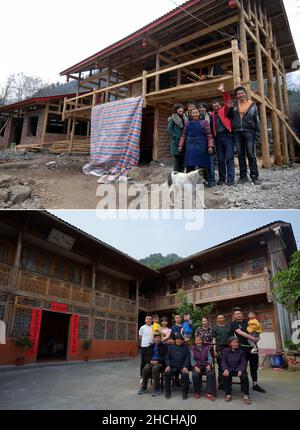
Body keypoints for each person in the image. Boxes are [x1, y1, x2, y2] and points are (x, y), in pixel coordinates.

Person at [226, 86, 261, 185]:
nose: (240, 95)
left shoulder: (253, 104)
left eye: (242, 93)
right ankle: (243, 176)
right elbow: (229, 116)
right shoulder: (234, 105)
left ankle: (254, 176)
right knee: (240, 155)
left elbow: (256, 120)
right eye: (238, 94)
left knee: (251, 154)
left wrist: (257, 134)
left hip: (249, 132)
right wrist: (229, 108)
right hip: (237, 132)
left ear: (245, 93)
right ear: (236, 96)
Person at [230, 307, 266, 393]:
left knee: (254, 366)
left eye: (240, 313)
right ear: (234, 316)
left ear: (242, 314)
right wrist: (253, 338)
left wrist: (257, 336)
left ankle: (255, 384)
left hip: (253, 347)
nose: (239, 315)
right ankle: (244, 385)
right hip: (242, 348)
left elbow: (255, 329)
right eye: (237, 314)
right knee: (243, 367)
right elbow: (241, 333)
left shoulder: (248, 321)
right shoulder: (233, 324)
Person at [179, 108, 214, 180]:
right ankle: (189, 181)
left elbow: (209, 135)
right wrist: (180, 145)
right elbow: (184, 135)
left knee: (203, 164)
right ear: (191, 114)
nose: (195, 114)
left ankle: (205, 181)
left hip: (202, 146)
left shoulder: (204, 122)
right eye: (193, 113)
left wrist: (210, 146)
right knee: (190, 165)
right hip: (190, 147)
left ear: (199, 113)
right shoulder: (187, 123)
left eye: (196, 113)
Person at [211, 83, 235, 186]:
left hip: (227, 135)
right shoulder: (212, 114)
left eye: (217, 104)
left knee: (229, 157)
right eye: (214, 105)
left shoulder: (223, 110)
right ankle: (221, 179)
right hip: (218, 137)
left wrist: (223, 91)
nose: (216, 106)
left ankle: (230, 179)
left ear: (220, 105)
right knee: (221, 159)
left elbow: (228, 101)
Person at [222, 336, 251, 405]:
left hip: (239, 368)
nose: (235, 344)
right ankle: (228, 394)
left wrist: (240, 370)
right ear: (230, 343)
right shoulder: (226, 350)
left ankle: (246, 395)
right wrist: (225, 369)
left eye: (236, 342)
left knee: (244, 377)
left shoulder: (241, 351)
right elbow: (223, 361)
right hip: (229, 368)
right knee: (226, 376)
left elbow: (243, 362)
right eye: (233, 342)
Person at [138, 332, 168, 397]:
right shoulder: (150, 346)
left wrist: (158, 361)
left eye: (158, 338)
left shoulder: (164, 346)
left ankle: (157, 389)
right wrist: (150, 361)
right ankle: (144, 387)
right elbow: (146, 356)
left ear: (161, 338)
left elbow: (165, 357)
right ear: (153, 339)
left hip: (160, 363)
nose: (157, 339)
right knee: (145, 368)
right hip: (151, 362)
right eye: (155, 338)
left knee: (155, 368)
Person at [164, 333, 190, 399]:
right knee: (167, 373)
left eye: (180, 339)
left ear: (182, 340)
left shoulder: (185, 347)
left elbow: (187, 358)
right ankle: (168, 392)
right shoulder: (170, 347)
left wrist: (185, 367)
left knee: (185, 374)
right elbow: (167, 358)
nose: (179, 341)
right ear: (175, 340)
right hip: (172, 367)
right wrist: (168, 366)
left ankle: (185, 393)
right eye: (177, 339)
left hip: (182, 367)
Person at [190, 336, 216, 401]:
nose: (198, 342)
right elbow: (192, 359)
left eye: (199, 340)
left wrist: (209, 365)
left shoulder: (206, 348)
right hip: (197, 366)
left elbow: (210, 358)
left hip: (205, 365)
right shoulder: (192, 349)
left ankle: (209, 393)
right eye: (197, 340)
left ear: (202, 341)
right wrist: (195, 366)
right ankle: (197, 392)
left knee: (211, 374)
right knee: (195, 375)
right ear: (195, 342)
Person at [198, 102, 216, 188]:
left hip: (209, 139)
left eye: (203, 107)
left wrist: (210, 144)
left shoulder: (210, 116)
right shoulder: (195, 118)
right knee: (201, 163)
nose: (201, 109)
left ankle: (211, 180)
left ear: (206, 108)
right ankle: (204, 180)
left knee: (210, 162)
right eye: (200, 108)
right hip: (199, 142)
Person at [212, 314, 231, 390]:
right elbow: (214, 340)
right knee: (221, 366)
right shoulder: (215, 328)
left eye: (222, 318)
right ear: (217, 319)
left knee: (229, 365)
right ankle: (221, 384)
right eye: (219, 318)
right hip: (219, 348)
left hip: (228, 348)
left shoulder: (228, 327)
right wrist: (214, 350)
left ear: (224, 319)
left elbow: (232, 339)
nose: (221, 319)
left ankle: (228, 383)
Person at [168, 104, 187, 173]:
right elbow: (169, 129)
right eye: (178, 109)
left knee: (183, 161)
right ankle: (175, 177)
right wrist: (176, 136)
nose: (180, 110)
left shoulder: (185, 118)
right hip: (176, 142)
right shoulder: (173, 118)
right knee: (177, 160)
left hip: (184, 141)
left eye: (181, 108)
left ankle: (181, 176)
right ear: (175, 110)